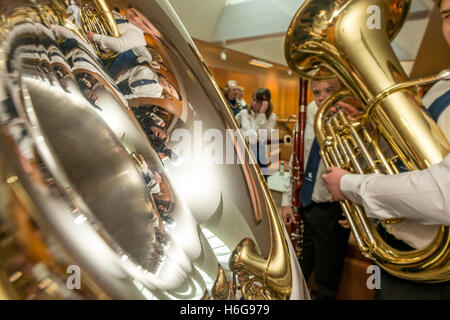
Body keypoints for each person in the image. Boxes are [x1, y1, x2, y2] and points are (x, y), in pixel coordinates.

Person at [321, 0, 450, 299]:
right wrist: (375, 133)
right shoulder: (441, 85)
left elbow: (445, 191)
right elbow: (418, 159)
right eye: (447, 16)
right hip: (401, 258)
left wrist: (349, 184)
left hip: (434, 277)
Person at [280, 78, 350, 300]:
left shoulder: (351, 123)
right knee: (299, 269)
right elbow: (295, 163)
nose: (321, 97)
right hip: (305, 205)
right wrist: (286, 201)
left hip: (334, 210)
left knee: (327, 279)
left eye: (329, 90)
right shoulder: (307, 122)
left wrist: (358, 210)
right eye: (316, 92)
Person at [235, 87, 276, 180]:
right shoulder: (243, 113)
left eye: (258, 101)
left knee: (260, 186)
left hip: (259, 155)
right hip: (243, 152)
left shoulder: (271, 117)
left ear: (265, 103)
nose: (254, 103)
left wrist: (261, 114)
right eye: (253, 100)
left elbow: (266, 136)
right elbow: (233, 129)